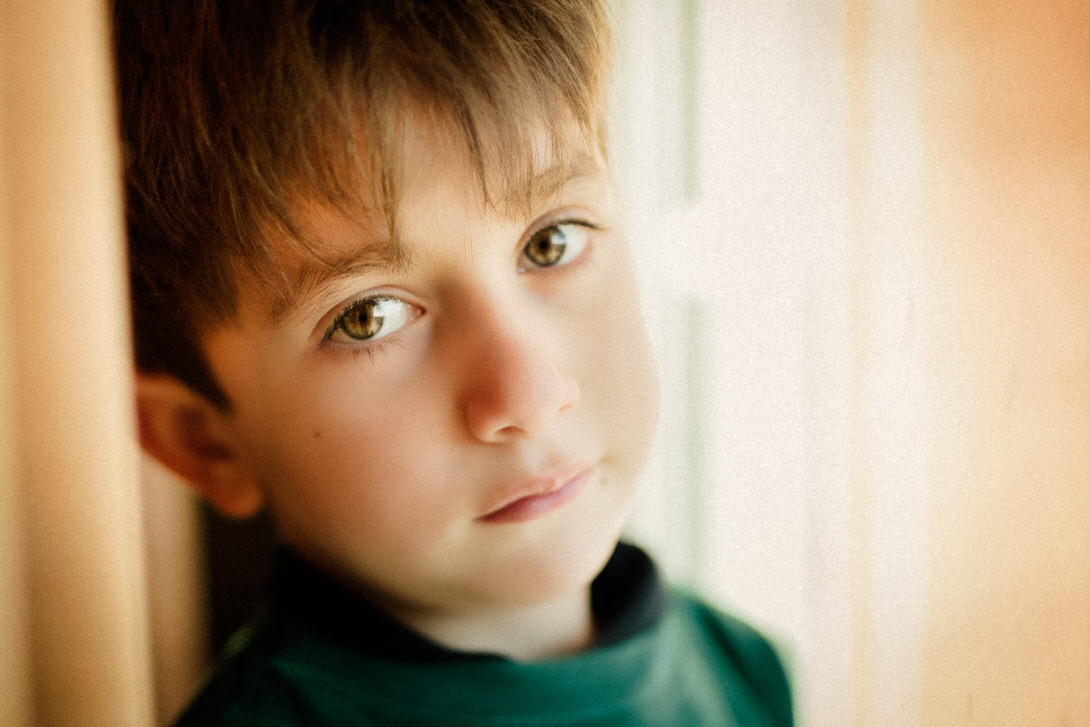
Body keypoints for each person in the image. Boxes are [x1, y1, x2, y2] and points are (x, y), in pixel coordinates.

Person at [115, 0, 793, 724]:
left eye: (551, 243)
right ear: (205, 440)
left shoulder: (742, 668)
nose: (527, 394)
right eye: (367, 317)